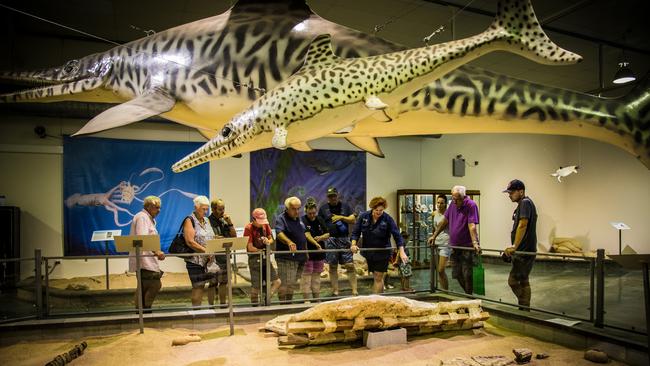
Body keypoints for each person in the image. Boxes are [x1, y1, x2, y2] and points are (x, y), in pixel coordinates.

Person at [428, 186, 479, 294]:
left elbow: (472, 225)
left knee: (467, 273)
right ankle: (468, 294)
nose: (454, 201)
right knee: (457, 273)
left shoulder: (471, 205)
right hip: (455, 246)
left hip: (467, 246)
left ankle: (469, 297)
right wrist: (434, 235)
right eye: (453, 198)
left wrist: (475, 242)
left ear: (463, 197)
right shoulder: (452, 204)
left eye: (457, 199)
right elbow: (445, 221)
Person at [351, 197, 407, 294]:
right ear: (372, 208)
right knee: (376, 277)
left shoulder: (388, 219)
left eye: (381, 210)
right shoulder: (363, 216)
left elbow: (397, 236)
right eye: (376, 210)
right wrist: (353, 245)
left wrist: (401, 252)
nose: (378, 212)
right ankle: (380, 299)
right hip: (369, 252)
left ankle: (375, 300)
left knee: (378, 276)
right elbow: (355, 232)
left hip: (383, 252)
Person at [503, 179, 538, 310]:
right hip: (525, 250)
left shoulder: (525, 203)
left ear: (521, 191)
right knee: (524, 281)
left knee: (512, 281)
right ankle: (524, 309)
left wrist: (514, 247)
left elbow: (523, 225)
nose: (509, 195)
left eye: (512, 192)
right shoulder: (524, 204)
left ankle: (524, 306)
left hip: (524, 251)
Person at [318, 187, 358, 296]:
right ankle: (335, 291)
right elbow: (318, 223)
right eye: (330, 196)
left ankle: (354, 290)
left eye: (334, 195)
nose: (333, 198)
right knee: (333, 266)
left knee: (350, 265)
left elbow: (353, 220)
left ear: (337, 195)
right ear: (328, 197)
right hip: (330, 240)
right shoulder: (323, 208)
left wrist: (341, 217)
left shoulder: (345, 206)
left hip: (344, 239)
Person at [128, 195, 165, 311]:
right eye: (156, 207)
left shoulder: (147, 218)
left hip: (146, 260)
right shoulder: (142, 217)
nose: (158, 210)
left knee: (143, 287)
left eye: (159, 208)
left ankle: (142, 312)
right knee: (154, 285)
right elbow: (142, 239)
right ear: (148, 206)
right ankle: (144, 311)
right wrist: (156, 251)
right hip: (144, 260)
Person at [182, 195, 216, 307]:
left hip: (208, 260)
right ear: (196, 207)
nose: (206, 212)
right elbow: (190, 241)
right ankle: (196, 314)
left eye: (207, 209)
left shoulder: (206, 220)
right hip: (195, 261)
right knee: (198, 286)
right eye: (203, 209)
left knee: (208, 285)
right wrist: (206, 251)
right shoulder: (189, 220)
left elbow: (210, 237)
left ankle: (206, 310)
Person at [244, 208, 281, 305]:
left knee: (277, 282)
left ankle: (266, 298)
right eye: (260, 221)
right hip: (255, 260)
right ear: (253, 219)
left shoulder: (265, 225)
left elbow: (271, 239)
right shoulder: (248, 228)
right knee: (256, 287)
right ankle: (255, 307)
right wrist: (262, 250)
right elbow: (250, 247)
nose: (262, 224)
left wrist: (268, 242)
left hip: (265, 258)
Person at [275, 196, 308, 302]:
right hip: (286, 258)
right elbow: (279, 233)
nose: (297, 211)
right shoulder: (281, 219)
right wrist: (289, 242)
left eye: (299, 208)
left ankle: (289, 303)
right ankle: (283, 305)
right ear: (287, 208)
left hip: (300, 257)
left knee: (292, 283)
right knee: (285, 283)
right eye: (294, 209)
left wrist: (306, 252)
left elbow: (303, 235)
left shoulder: (299, 219)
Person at [208, 198, 236, 306]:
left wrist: (230, 223)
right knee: (212, 283)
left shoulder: (225, 221)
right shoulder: (207, 221)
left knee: (224, 282)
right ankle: (210, 307)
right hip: (213, 258)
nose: (223, 211)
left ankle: (223, 305)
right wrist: (215, 238)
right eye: (220, 209)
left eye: (223, 208)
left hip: (225, 257)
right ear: (213, 209)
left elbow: (234, 237)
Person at [301, 199, 330, 301]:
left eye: (314, 213)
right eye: (310, 213)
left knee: (317, 277)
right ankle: (306, 300)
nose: (312, 215)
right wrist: (316, 243)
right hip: (308, 253)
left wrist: (321, 238)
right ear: (305, 211)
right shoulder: (302, 220)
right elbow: (307, 234)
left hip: (319, 253)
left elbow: (327, 234)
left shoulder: (320, 219)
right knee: (306, 278)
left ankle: (317, 299)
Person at [431, 194, 451, 290]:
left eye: (442, 203)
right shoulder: (434, 213)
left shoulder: (448, 214)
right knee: (437, 270)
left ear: (445, 204)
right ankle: (441, 290)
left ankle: (445, 292)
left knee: (441, 270)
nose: (439, 205)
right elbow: (434, 228)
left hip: (445, 243)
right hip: (436, 243)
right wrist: (432, 237)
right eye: (438, 202)